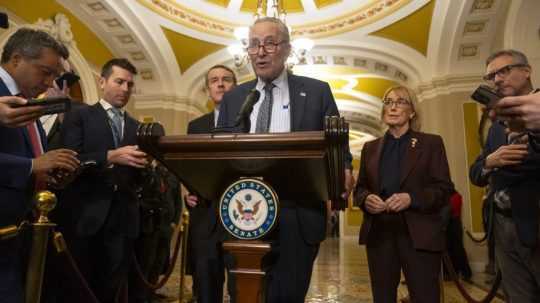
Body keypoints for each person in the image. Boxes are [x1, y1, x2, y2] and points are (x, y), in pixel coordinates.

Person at [217, 17, 353, 302]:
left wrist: (345, 168)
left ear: (288, 49)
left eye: (269, 43)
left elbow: (338, 144)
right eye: (254, 44)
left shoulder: (317, 92)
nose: (261, 51)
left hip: (298, 213)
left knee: (289, 294)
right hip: (244, 212)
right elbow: (220, 152)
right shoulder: (234, 98)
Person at [57, 58, 147, 303]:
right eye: (119, 82)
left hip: (123, 220)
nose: (125, 89)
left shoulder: (137, 127)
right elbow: (69, 159)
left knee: (112, 288)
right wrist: (110, 156)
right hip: (85, 216)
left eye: (130, 84)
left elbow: (138, 176)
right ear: (102, 81)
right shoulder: (80, 116)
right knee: (78, 288)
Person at [0, 28, 80, 303]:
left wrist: (48, 174)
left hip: (20, 233)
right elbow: (29, 162)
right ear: (17, 59)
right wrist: (32, 165)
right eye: (45, 72)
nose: (49, 83)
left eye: (54, 76)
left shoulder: (28, 103)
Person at [354, 85, 453, 303]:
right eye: (388, 102)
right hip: (380, 233)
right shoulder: (370, 148)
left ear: (412, 111)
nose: (393, 107)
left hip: (419, 234)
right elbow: (359, 188)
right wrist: (366, 199)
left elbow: (444, 189)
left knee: (425, 297)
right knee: (382, 297)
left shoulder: (430, 143)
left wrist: (411, 198)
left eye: (400, 102)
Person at [469, 49, 540, 302]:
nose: (497, 79)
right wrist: (491, 161)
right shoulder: (497, 125)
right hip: (501, 226)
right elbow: (475, 172)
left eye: (504, 71)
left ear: (527, 71)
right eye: (491, 76)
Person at [186, 64, 237, 303]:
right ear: (208, 90)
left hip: (242, 216)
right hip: (205, 217)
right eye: (214, 80)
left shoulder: (252, 123)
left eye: (226, 79)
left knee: (242, 287)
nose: (220, 84)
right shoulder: (196, 127)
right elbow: (189, 167)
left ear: (235, 87)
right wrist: (188, 193)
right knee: (206, 287)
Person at [444, 190, 472, 281]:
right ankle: (452, 273)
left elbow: (452, 210)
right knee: (450, 250)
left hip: (453, 225)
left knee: (457, 249)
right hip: (449, 225)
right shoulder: (449, 196)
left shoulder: (456, 196)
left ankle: (465, 272)